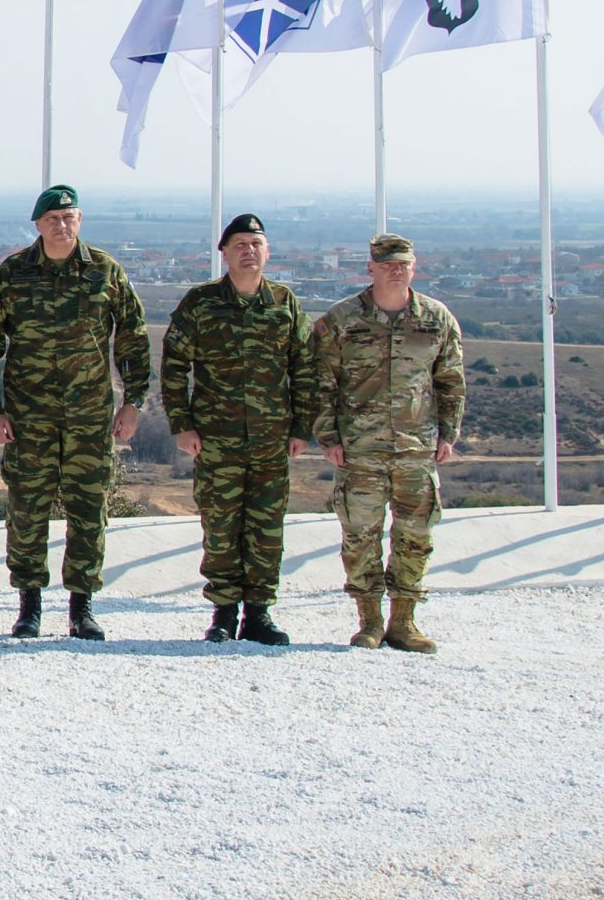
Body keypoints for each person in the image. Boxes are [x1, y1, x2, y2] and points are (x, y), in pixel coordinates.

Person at [0, 185, 151, 640]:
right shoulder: (13, 274)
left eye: (69, 217)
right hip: (28, 418)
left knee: (89, 511)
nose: (62, 225)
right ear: (38, 225)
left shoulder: (105, 271)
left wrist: (133, 402)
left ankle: (81, 606)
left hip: (90, 416)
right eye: (52, 218)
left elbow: (132, 338)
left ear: (80, 220)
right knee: (27, 512)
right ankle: (29, 605)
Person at [311, 232, 466, 653]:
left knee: (415, 537)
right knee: (360, 536)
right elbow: (321, 382)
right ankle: (369, 621)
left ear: (415, 267)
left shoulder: (435, 319)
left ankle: (404, 621)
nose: (397, 271)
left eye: (405, 264)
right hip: (360, 449)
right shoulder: (342, 320)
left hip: (416, 449)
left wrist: (448, 434)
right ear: (372, 268)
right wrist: (328, 435)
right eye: (389, 264)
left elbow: (450, 381)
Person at [161, 213, 312, 645]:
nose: (249, 250)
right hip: (216, 439)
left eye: (256, 243)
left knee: (266, 528)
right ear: (224, 252)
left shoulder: (284, 303)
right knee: (222, 526)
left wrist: (302, 427)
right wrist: (182, 424)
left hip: (270, 439)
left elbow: (305, 368)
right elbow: (174, 365)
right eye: (240, 244)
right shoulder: (201, 303)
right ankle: (224, 612)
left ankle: (259, 614)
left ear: (268, 252)